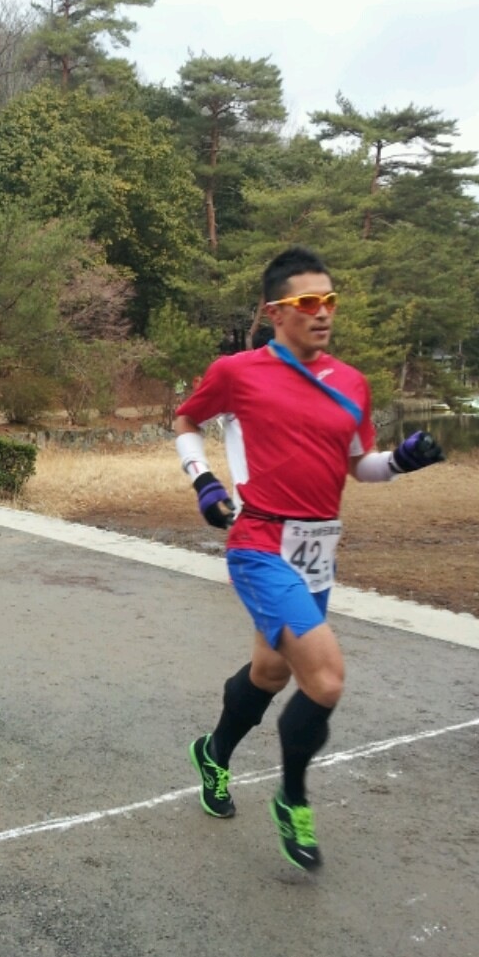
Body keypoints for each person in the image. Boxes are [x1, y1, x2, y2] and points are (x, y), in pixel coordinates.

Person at [174, 246, 444, 872]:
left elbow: (360, 467)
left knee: (270, 673)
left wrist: (403, 461)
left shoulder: (352, 383)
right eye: (308, 302)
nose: (323, 312)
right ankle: (292, 799)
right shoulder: (237, 372)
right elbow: (186, 420)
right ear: (275, 311)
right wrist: (204, 483)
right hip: (260, 543)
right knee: (324, 679)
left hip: (319, 549)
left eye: (330, 300)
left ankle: (213, 753)